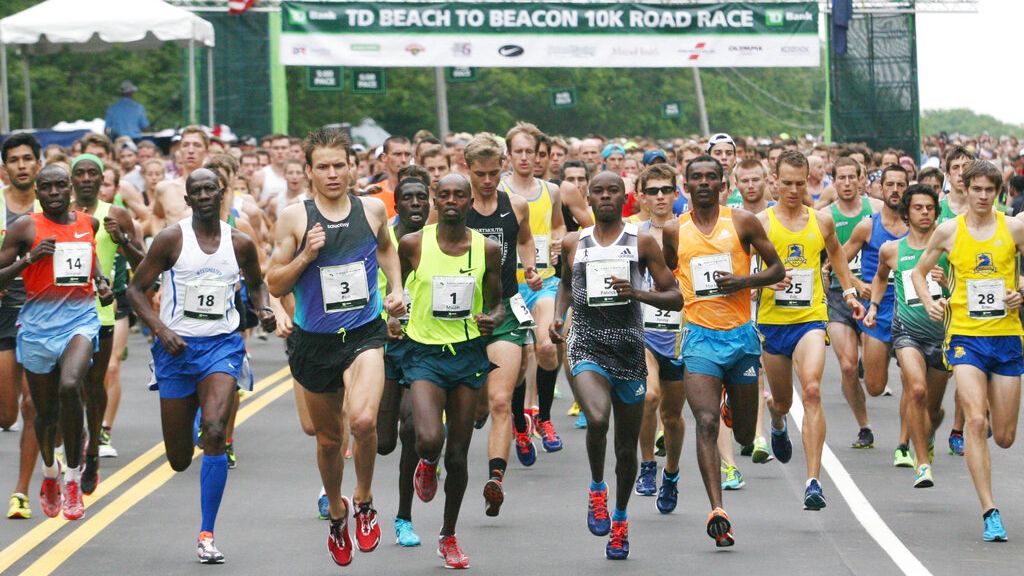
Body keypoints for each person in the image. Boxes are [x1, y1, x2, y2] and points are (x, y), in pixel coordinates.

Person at [267, 129, 405, 568]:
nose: (332, 174)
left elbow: (387, 249)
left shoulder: (373, 209)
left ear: (353, 167)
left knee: (363, 421)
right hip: (315, 342)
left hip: (364, 332)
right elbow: (273, 282)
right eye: (322, 166)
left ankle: (363, 499)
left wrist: (396, 289)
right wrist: (306, 256)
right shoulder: (294, 217)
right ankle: (337, 510)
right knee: (328, 440)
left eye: (339, 165)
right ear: (308, 172)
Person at [126, 167, 274, 562]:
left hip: (222, 347)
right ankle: (194, 426)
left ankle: (207, 533)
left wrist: (264, 308)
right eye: (197, 191)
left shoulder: (239, 243)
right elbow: (135, 290)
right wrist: (160, 330)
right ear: (189, 200)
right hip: (176, 350)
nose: (205, 195)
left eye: (212, 188)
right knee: (177, 460)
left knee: (214, 431)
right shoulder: (172, 239)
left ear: (221, 194)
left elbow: (257, 282)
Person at [550, 171, 682, 560]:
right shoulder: (575, 242)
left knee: (626, 450)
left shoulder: (640, 242)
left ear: (624, 198)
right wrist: (559, 316)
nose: (605, 197)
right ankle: (596, 488)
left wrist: (638, 292)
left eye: (613, 191)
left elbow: (674, 296)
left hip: (629, 350)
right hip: (587, 344)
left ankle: (621, 520)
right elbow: (564, 285)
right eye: (598, 191)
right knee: (596, 418)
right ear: (588, 199)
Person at [661, 155, 784, 547]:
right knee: (706, 422)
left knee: (746, 436)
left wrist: (742, 281)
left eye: (710, 177)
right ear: (686, 185)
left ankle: (736, 408)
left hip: (741, 338)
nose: (702, 183)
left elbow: (777, 270)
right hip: (699, 339)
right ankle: (718, 510)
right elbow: (667, 277)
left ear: (721, 185)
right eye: (695, 177)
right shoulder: (673, 230)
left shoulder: (742, 222)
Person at [912, 160, 1024, 542]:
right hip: (964, 337)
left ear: (998, 193)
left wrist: (1019, 292)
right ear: (966, 188)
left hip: (1007, 337)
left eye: (989, 190)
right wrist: (928, 300)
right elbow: (918, 271)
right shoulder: (948, 231)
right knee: (975, 420)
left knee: (1005, 436)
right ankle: (990, 510)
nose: (981, 196)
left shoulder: (1014, 228)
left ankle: (988, 427)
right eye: (975, 189)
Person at [396, 173, 504, 569]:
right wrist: (393, 308)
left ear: (470, 200)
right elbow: (394, 286)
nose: (453, 201)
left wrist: (491, 317)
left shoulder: (486, 249)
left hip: (467, 354)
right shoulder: (412, 244)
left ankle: (448, 536)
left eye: (461, 195)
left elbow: (498, 303)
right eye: (446, 195)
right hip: (424, 352)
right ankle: (426, 464)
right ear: (434, 200)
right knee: (427, 439)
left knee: (457, 457)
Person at [0, 164, 112, 521]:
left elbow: (91, 263)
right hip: (36, 327)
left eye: (59, 186)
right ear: (37, 192)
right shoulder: (25, 227)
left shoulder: (86, 223)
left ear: (70, 189)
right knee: (45, 415)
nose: (53, 192)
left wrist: (102, 282)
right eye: (45, 187)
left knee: (70, 386)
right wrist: (30, 258)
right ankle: (50, 473)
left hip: (80, 320)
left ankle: (74, 480)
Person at [757, 151, 864, 510]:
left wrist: (848, 291)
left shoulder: (822, 220)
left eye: (799, 183)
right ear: (775, 180)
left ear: (809, 182)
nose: (792, 189)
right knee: (785, 401)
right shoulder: (762, 223)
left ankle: (813, 481)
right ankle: (777, 420)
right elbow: (741, 266)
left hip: (810, 319)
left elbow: (835, 255)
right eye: (786, 182)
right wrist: (763, 283)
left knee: (813, 389)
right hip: (773, 324)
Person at [461, 132, 541, 515]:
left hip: (505, 307)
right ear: (467, 171)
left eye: (494, 173)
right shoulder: (454, 208)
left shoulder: (516, 205)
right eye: (481, 174)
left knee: (499, 400)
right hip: (460, 310)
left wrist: (529, 265)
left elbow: (525, 240)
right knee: (475, 402)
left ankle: (495, 479)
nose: (489, 181)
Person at [69, 154, 145, 495]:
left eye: (92, 173)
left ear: (103, 180)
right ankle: (72, 441)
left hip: (101, 312)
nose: (86, 178)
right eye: (80, 173)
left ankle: (93, 448)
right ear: (72, 179)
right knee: (65, 385)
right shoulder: (57, 213)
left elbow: (144, 264)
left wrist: (122, 240)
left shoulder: (116, 215)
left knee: (94, 384)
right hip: (60, 312)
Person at [864, 184, 949, 488]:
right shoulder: (892, 250)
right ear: (907, 213)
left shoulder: (949, 248)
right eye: (918, 208)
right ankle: (922, 464)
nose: (925, 212)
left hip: (941, 336)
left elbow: (963, 286)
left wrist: (947, 281)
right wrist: (873, 305)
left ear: (937, 211)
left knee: (933, 409)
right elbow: (880, 278)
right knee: (916, 390)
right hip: (907, 333)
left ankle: (928, 432)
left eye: (930, 208)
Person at [500, 122, 567, 455]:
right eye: (519, 151)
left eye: (532, 152)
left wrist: (557, 240)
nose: (525, 158)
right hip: (509, 284)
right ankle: (518, 423)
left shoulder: (550, 191)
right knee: (516, 358)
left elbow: (558, 225)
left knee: (546, 346)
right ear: (508, 155)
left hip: (544, 280)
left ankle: (544, 416)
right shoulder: (497, 191)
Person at [375, 172, 430, 547]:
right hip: (383, 343)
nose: (414, 204)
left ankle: (403, 518)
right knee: (383, 443)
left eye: (421, 198)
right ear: (398, 202)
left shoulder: (443, 240)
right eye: (407, 198)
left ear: (430, 203)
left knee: (411, 430)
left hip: (424, 346)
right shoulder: (383, 240)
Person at [629, 164, 687, 516]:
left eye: (666, 190)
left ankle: (672, 473)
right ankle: (648, 463)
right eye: (653, 191)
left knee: (674, 415)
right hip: (644, 331)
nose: (660, 196)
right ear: (641, 197)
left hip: (681, 331)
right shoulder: (632, 235)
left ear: (676, 194)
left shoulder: (690, 230)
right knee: (649, 397)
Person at [842, 164, 910, 452]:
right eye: (890, 185)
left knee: (913, 381)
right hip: (877, 310)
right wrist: (857, 284)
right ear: (880, 189)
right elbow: (838, 260)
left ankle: (906, 443)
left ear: (908, 189)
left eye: (901, 185)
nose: (895, 190)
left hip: (910, 311)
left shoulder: (918, 225)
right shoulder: (868, 225)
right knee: (874, 386)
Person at [823, 157, 881, 450]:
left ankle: (867, 364)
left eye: (851, 177)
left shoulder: (877, 210)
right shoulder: (825, 216)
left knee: (873, 377)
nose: (846, 183)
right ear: (833, 181)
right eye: (840, 178)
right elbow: (824, 262)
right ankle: (864, 426)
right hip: (838, 296)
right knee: (846, 366)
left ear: (861, 179)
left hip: (873, 297)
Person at [0, 133, 42, 520]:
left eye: (28, 158)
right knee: (6, 414)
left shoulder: (54, 205)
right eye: (14, 160)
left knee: (32, 405)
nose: (22, 165)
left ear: (38, 164)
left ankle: (21, 491)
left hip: (44, 312)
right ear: (5, 169)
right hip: (2, 312)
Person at [152, 126, 208, 233]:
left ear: (206, 151)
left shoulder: (215, 189)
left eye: (197, 145)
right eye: (185, 145)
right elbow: (157, 216)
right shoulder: (164, 188)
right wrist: (157, 240)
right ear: (179, 151)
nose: (191, 150)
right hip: (174, 248)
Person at [251, 134, 290, 206]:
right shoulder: (259, 175)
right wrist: (266, 202)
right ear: (270, 150)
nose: (280, 151)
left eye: (284, 148)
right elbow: (252, 208)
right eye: (276, 148)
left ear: (290, 150)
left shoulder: (301, 175)